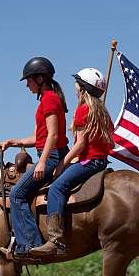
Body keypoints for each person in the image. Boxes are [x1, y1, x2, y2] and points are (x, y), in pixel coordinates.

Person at [30, 67, 114, 257]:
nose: (74, 87)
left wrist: (63, 164)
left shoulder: (83, 110)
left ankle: (55, 239)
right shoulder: (103, 112)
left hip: (89, 162)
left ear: (82, 88)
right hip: (101, 161)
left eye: (77, 83)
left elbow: (80, 144)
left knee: (56, 188)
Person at [0, 57, 69, 258]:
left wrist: (43, 162)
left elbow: (53, 136)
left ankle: (29, 246)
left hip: (52, 155)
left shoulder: (49, 99)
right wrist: (13, 142)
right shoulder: (49, 99)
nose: (27, 84)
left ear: (39, 79)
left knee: (16, 194)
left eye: (28, 80)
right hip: (49, 152)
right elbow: (40, 137)